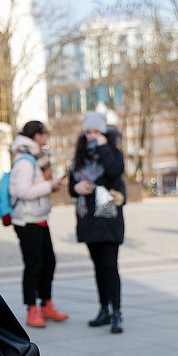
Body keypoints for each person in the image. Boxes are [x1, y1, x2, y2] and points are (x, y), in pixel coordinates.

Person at [69, 112, 126, 335]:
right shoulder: (80, 158)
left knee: (110, 267)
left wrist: (103, 148)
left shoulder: (113, 153)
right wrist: (76, 188)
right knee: (98, 268)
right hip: (88, 219)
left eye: (97, 131)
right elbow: (71, 184)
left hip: (109, 217)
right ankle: (104, 309)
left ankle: (117, 312)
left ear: (105, 133)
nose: (92, 135)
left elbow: (114, 172)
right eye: (89, 132)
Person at [8, 120, 68, 328]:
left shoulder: (35, 157)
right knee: (34, 265)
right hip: (27, 220)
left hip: (39, 218)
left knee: (49, 262)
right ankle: (32, 308)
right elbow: (21, 191)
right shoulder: (26, 160)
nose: (47, 138)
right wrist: (49, 185)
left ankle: (46, 304)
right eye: (45, 134)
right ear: (36, 136)